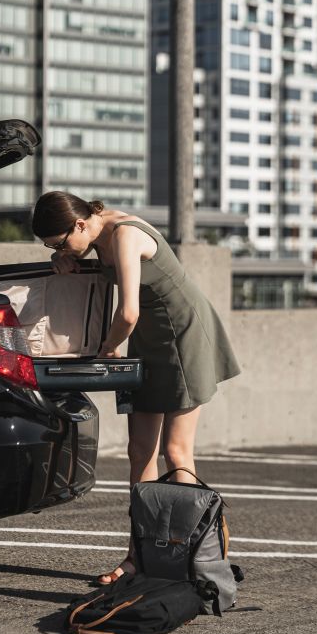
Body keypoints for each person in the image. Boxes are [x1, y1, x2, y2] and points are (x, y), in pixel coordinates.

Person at [31, 191, 241, 584]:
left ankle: (186, 559)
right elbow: (119, 300)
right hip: (147, 341)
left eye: (59, 242)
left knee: (175, 451)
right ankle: (137, 557)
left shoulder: (125, 234)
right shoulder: (95, 236)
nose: (61, 249)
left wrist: (107, 349)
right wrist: (64, 259)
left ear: (79, 224)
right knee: (138, 450)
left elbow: (128, 311)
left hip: (182, 337)